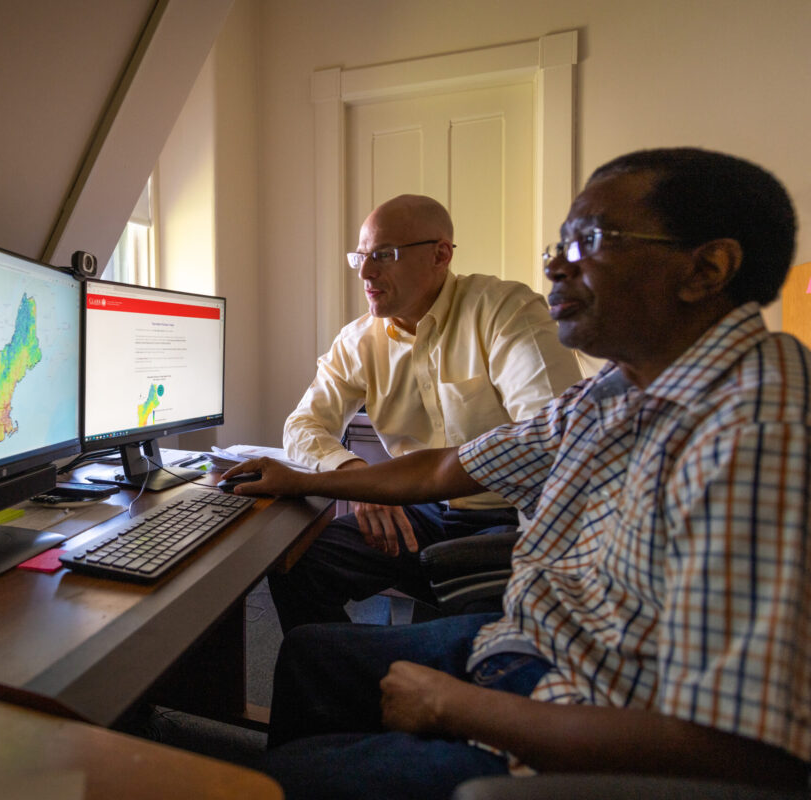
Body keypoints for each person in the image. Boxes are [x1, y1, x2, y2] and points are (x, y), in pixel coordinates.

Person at [227, 148, 810, 799]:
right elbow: (451, 464)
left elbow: (747, 755)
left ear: (707, 269)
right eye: (559, 243)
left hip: (584, 703)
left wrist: (456, 708)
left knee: (259, 786)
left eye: (590, 241)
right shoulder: (618, 388)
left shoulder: (755, 431)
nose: (555, 264)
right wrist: (304, 477)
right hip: (545, 638)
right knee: (312, 656)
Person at [273, 194, 583, 631]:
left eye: (384, 255)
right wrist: (359, 478)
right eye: (360, 257)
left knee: (474, 631)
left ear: (440, 255)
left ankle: (410, 669)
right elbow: (302, 425)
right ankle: (348, 677)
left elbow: (550, 442)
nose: (365, 272)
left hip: (506, 517)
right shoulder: (359, 340)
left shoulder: (505, 311)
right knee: (300, 564)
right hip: (419, 512)